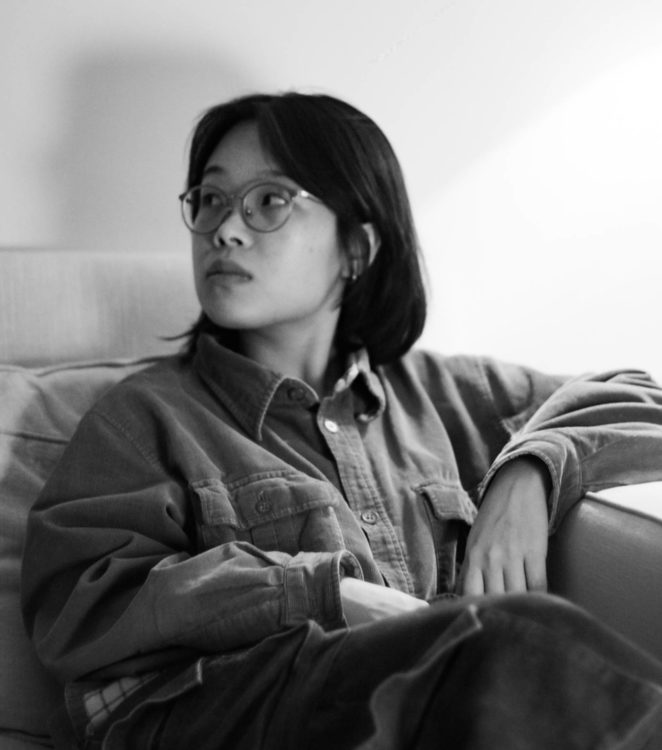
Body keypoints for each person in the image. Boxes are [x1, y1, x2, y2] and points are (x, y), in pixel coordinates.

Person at [21, 91, 662, 749]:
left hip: (427, 712)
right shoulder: (144, 417)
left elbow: (637, 395)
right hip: (233, 716)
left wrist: (528, 473)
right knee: (506, 640)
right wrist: (326, 593)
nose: (225, 229)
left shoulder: (443, 394)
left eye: (269, 200)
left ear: (356, 247)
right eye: (210, 199)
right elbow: (81, 601)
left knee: (499, 659)